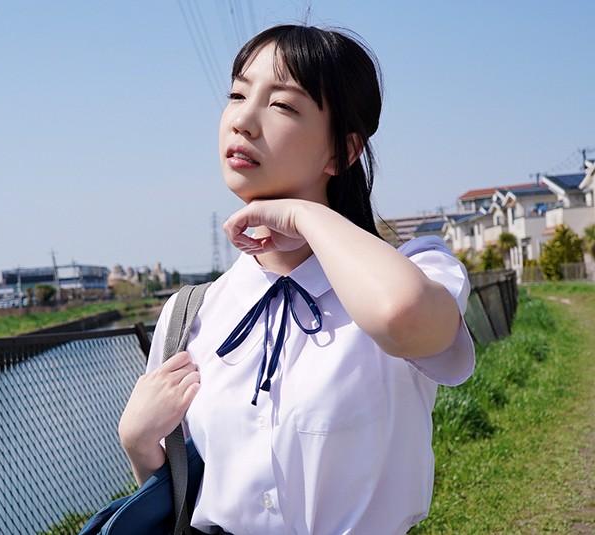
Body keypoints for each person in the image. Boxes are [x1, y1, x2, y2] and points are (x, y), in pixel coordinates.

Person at [118, 23, 476, 535]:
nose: (242, 120)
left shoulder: (418, 271)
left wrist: (304, 216)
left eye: (282, 105)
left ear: (343, 152)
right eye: (237, 95)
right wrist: (139, 445)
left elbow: (402, 317)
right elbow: (181, 503)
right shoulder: (191, 313)